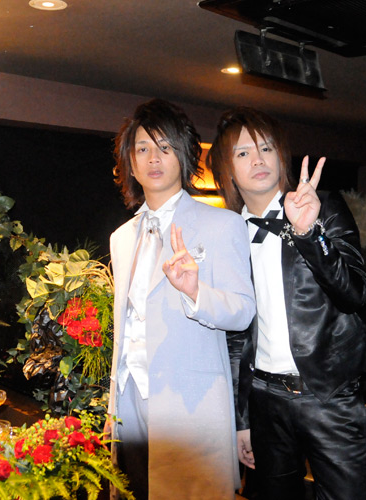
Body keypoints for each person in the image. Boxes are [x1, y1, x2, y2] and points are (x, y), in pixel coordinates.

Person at [207, 106, 366, 500]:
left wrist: (309, 235)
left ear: (281, 157)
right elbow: (235, 338)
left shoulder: (324, 206)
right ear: (227, 170)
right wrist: (241, 419)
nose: (258, 160)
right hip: (264, 399)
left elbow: (354, 293)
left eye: (266, 148)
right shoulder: (226, 233)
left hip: (328, 395)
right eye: (243, 153)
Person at [106, 98, 256, 500]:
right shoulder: (122, 238)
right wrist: (112, 409)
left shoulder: (222, 225)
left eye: (165, 147)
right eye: (142, 148)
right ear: (130, 162)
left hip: (191, 408)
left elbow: (243, 311)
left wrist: (195, 292)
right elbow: (125, 331)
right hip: (130, 406)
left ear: (186, 155)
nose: (153, 158)